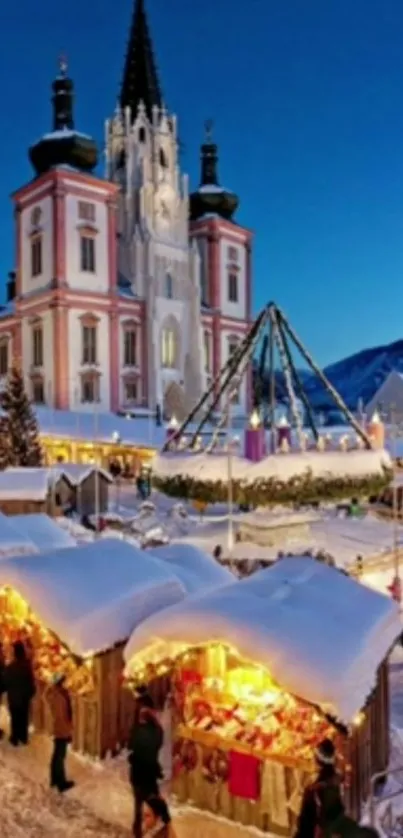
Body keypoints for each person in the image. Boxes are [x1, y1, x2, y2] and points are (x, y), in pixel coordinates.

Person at [128, 696, 164, 838]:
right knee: (152, 797)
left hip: (137, 772)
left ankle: (137, 828)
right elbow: (159, 742)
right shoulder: (157, 732)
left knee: (138, 802)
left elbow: (131, 746)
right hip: (149, 772)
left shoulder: (138, 731)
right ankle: (157, 821)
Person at [46, 673, 75, 793]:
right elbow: (61, 716)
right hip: (60, 729)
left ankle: (54, 778)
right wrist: (67, 732)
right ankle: (61, 783)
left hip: (58, 728)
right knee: (60, 756)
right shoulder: (58, 696)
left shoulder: (53, 693)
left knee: (57, 754)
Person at [5, 640, 36, 746]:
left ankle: (15, 737)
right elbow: (31, 682)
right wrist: (30, 694)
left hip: (13, 697)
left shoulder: (10, 667)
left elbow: (5, 681)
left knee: (15, 717)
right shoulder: (27, 666)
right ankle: (23, 736)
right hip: (24, 698)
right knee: (23, 716)